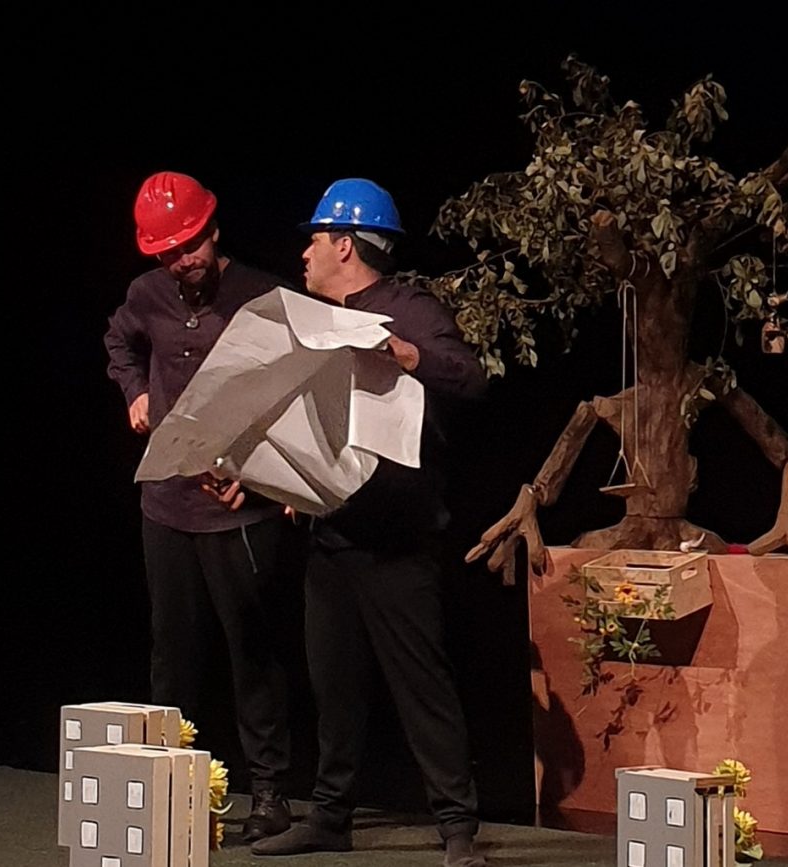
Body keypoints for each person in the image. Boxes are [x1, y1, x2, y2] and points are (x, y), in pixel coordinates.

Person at [246, 178, 490, 866]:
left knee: (422, 687)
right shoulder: (313, 320)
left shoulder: (408, 309)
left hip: (397, 542)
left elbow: (468, 376)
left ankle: (457, 827)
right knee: (334, 687)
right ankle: (330, 816)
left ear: (346, 246)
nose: (305, 254)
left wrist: (406, 354)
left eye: (315, 240)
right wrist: (289, 479)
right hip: (331, 535)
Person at [104, 170, 297, 841]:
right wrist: (134, 389)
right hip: (166, 501)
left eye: (189, 246)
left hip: (239, 506)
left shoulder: (263, 297)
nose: (181, 261)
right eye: (167, 252)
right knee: (173, 650)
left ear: (214, 231)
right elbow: (118, 339)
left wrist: (266, 474)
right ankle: (166, 787)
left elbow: (296, 392)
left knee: (252, 649)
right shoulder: (146, 294)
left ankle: (270, 793)